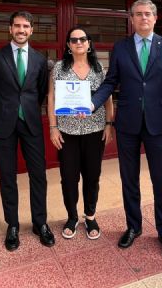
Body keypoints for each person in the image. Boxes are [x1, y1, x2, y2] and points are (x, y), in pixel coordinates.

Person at [91, 0, 162, 259]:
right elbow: (111, 82)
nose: (143, 18)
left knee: (161, 180)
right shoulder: (120, 47)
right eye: (138, 14)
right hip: (128, 124)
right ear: (131, 19)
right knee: (128, 179)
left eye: (148, 14)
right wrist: (92, 102)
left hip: (159, 124)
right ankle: (133, 226)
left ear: (155, 18)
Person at [0, 11, 54, 251]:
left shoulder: (39, 59)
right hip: (4, 123)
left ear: (31, 30)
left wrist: (26, 109)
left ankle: (40, 223)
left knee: (38, 175)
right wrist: (5, 109)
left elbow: (42, 91)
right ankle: (12, 225)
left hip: (31, 123)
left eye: (26, 26)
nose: (21, 30)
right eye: (17, 26)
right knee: (8, 176)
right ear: (10, 29)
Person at [47, 27, 114, 240]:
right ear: (68, 45)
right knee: (68, 177)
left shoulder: (98, 68)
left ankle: (91, 216)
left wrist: (109, 123)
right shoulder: (59, 68)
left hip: (95, 131)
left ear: (89, 43)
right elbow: (51, 99)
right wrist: (53, 127)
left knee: (92, 176)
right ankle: (72, 216)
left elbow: (108, 98)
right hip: (67, 132)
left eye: (82, 39)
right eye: (73, 40)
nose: (78, 43)